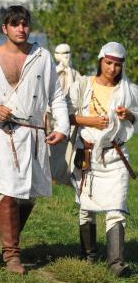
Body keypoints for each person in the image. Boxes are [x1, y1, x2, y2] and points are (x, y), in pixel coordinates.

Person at [0, 5, 69, 274]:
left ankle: (9, 238)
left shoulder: (42, 56)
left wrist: (63, 127)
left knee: (29, 195)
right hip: (4, 132)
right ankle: (12, 255)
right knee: (9, 192)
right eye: (15, 24)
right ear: (5, 28)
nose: (21, 29)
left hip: (35, 132)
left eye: (25, 24)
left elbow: (56, 96)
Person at [70, 42, 138, 277]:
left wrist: (129, 114)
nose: (112, 68)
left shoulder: (129, 90)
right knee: (86, 208)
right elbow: (65, 116)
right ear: (100, 60)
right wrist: (90, 121)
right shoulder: (83, 85)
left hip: (116, 155)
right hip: (87, 154)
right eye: (108, 63)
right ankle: (89, 256)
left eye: (117, 65)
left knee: (116, 206)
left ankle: (115, 263)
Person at [49, 43, 82, 183]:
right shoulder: (52, 72)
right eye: (62, 53)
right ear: (56, 55)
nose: (66, 56)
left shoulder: (75, 74)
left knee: (68, 147)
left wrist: (69, 71)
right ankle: (51, 175)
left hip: (70, 116)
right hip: (51, 115)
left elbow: (78, 91)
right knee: (52, 147)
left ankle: (63, 174)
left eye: (68, 52)